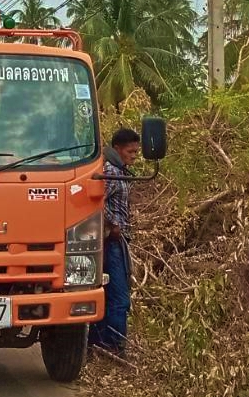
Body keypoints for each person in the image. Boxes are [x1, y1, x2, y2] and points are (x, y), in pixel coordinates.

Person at [89, 127, 140, 356]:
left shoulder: (120, 170)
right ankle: (115, 344)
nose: (134, 155)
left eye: (136, 151)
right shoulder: (110, 171)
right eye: (131, 150)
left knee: (108, 292)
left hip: (117, 240)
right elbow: (94, 203)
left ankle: (99, 341)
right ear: (118, 149)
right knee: (120, 296)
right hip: (112, 242)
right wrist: (113, 225)